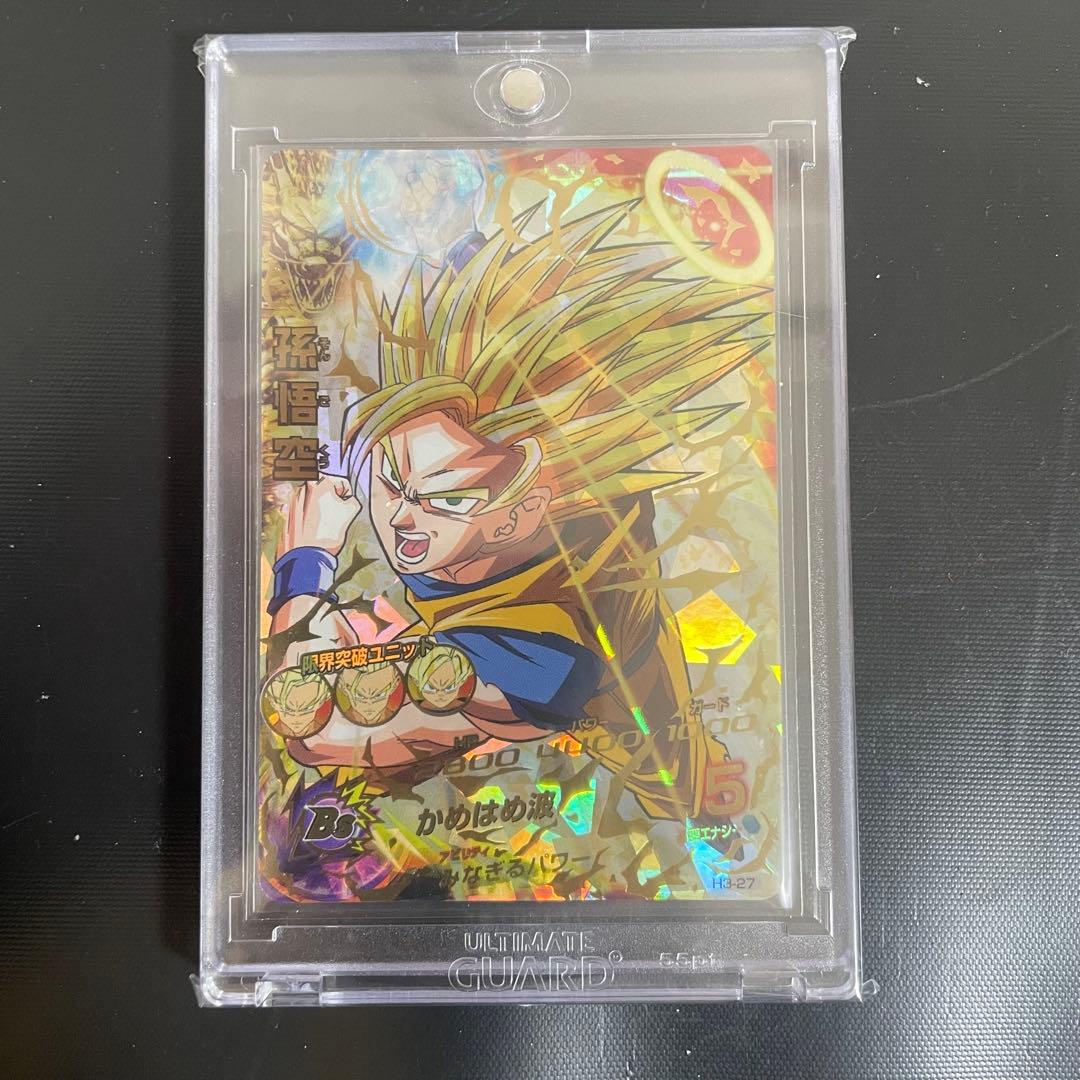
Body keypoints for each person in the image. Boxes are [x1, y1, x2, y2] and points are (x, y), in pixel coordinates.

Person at [267, 200, 767, 819]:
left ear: (518, 514)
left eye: (448, 498)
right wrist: (468, 257)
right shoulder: (574, 469)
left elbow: (306, 727)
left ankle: (699, 807)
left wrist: (306, 561)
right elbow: (551, 357)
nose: (401, 516)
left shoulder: (537, 653)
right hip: (598, 656)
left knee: (680, 792)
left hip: (653, 764)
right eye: (391, 478)